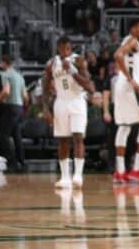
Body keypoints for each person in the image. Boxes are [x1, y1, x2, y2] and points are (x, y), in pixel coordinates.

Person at [43, 36, 94, 189]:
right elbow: (45, 88)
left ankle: (78, 174)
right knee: (62, 140)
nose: (66, 51)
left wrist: (72, 71)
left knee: (78, 137)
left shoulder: (78, 60)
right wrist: (46, 109)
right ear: (58, 49)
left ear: (71, 49)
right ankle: (65, 177)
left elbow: (89, 86)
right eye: (63, 48)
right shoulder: (51, 64)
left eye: (69, 48)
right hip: (61, 101)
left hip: (77, 100)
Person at [112, 19, 139, 184]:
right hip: (131, 88)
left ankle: (120, 171)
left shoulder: (127, 40)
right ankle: (137, 169)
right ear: (133, 28)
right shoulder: (132, 41)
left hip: (121, 85)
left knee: (124, 127)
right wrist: (131, 79)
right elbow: (118, 55)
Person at [0, 54, 27, 172]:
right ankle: (22, 162)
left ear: (4, 63)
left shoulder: (5, 74)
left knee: (3, 136)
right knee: (17, 136)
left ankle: (12, 162)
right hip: (19, 108)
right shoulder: (20, 76)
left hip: (10, 107)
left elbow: (6, 91)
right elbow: (25, 96)